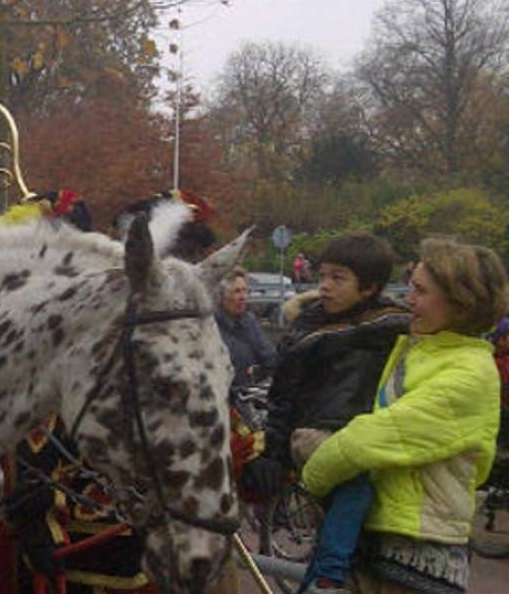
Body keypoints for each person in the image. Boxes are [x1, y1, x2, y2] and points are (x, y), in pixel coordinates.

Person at [301, 239, 507, 594]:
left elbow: (369, 440)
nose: (409, 299)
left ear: (461, 302)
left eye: (421, 291)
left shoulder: (470, 374)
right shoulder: (416, 348)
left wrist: (313, 475)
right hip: (376, 542)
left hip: (417, 556)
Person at [243, 234, 410, 594]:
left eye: (338, 278)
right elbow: (282, 396)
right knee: (355, 492)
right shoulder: (309, 332)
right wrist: (273, 453)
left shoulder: (393, 329)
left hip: (366, 437)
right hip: (319, 436)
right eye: (323, 276)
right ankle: (327, 575)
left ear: (369, 288)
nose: (325, 286)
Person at [215, 267, 277, 386]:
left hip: (250, 390)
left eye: (245, 291)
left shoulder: (250, 322)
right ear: (222, 296)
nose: (243, 297)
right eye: (237, 291)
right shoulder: (213, 327)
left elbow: (270, 358)